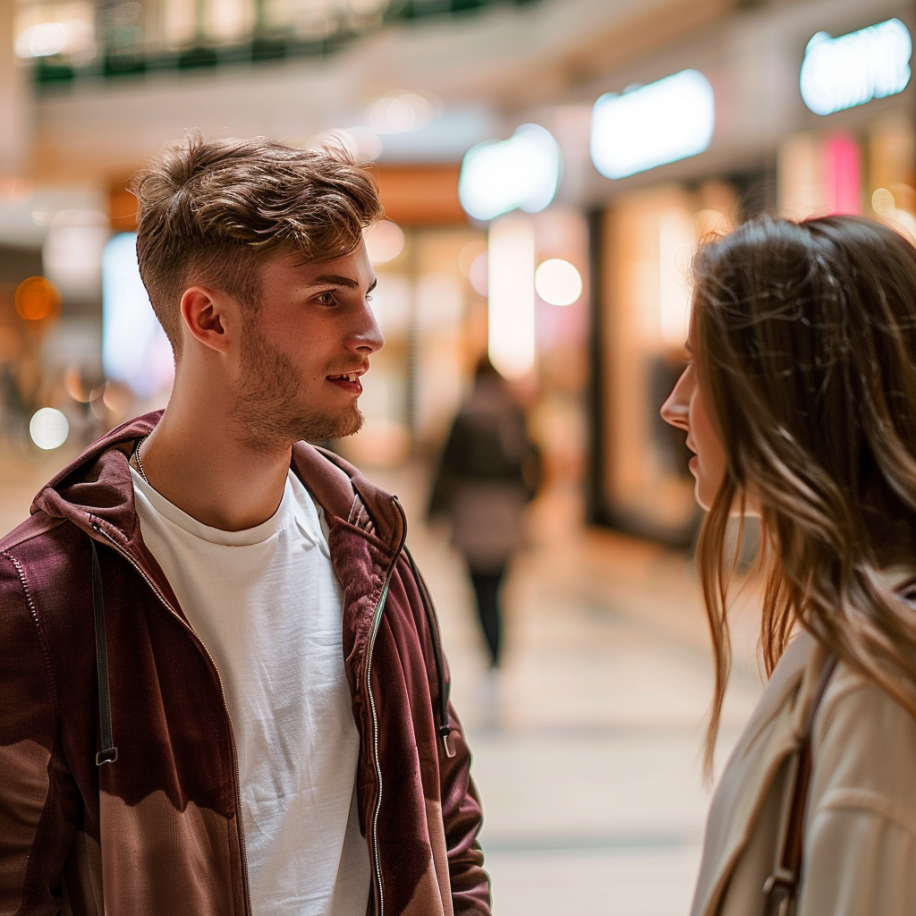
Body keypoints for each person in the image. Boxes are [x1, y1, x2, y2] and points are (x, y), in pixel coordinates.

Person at [0, 134, 490, 916]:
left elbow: (447, 826)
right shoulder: (40, 598)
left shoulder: (375, 556)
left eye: (368, 292)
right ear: (209, 320)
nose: (371, 331)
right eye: (329, 298)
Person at [661, 214, 916, 916]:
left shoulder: (880, 670)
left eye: (705, 368)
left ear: (796, 393)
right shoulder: (855, 627)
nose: (673, 404)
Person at [429, 357, 540, 670]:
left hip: (470, 512)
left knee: (479, 586)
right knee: (500, 585)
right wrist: (526, 498)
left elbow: (446, 468)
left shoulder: (464, 416)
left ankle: (489, 645)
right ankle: (498, 645)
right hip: (506, 512)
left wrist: (435, 511)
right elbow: (535, 459)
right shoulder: (513, 413)